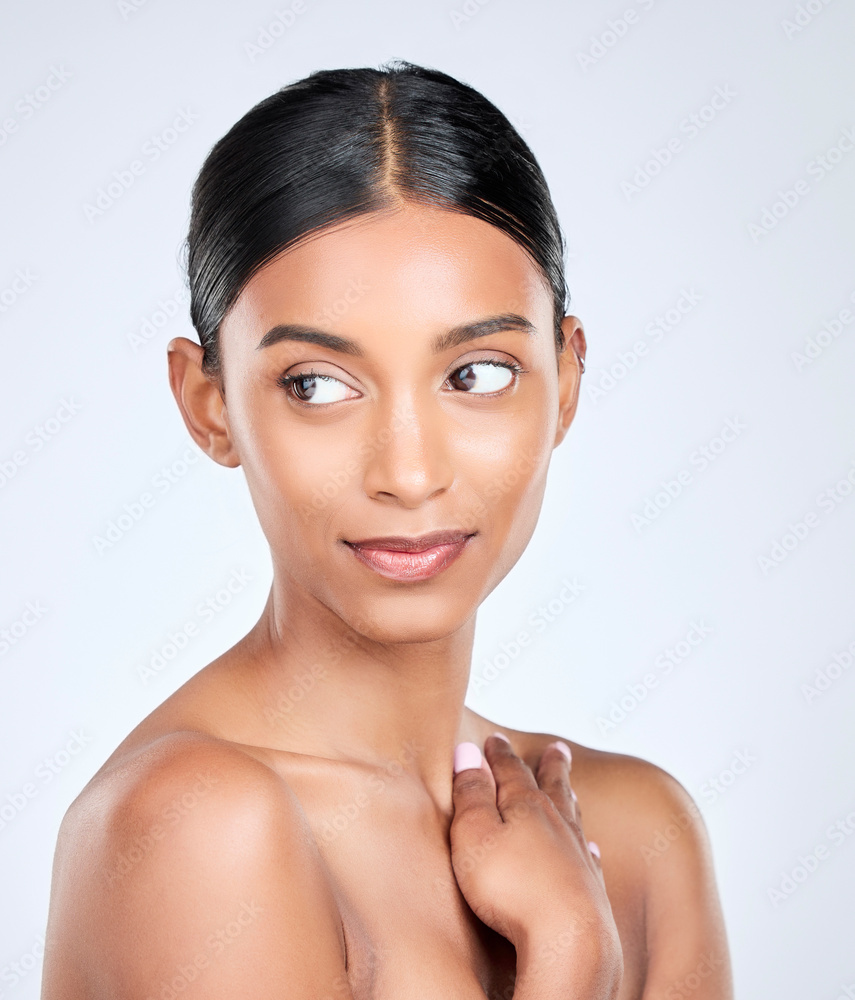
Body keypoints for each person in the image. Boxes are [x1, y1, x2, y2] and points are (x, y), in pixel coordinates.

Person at [40, 61, 732, 999]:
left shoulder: (641, 830)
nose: (408, 474)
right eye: (316, 385)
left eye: (477, 375)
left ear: (564, 383)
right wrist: (570, 955)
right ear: (208, 405)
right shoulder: (197, 825)